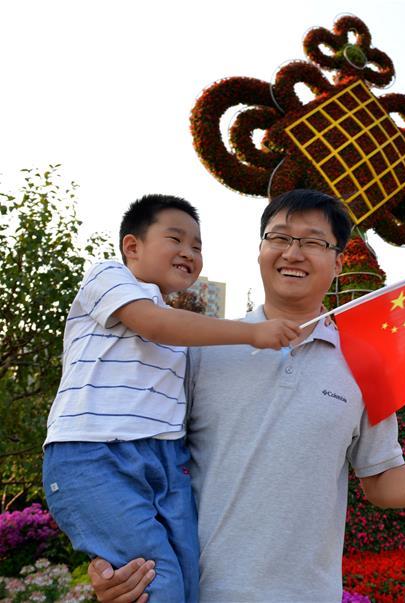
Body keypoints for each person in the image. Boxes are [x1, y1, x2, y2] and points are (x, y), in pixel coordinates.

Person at [88, 189, 405, 602]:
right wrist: (112, 554)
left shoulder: (365, 364)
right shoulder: (201, 351)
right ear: (260, 250)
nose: (293, 253)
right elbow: (135, 458)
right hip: (200, 592)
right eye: (279, 238)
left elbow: (381, 481)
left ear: (337, 262)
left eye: (313, 242)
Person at [43, 195, 303, 602]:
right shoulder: (110, 278)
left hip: (165, 460)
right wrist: (253, 333)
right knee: (154, 580)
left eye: (197, 246)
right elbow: (154, 324)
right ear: (132, 247)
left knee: (188, 574)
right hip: (94, 454)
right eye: (176, 239)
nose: (189, 252)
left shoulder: (182, 336)